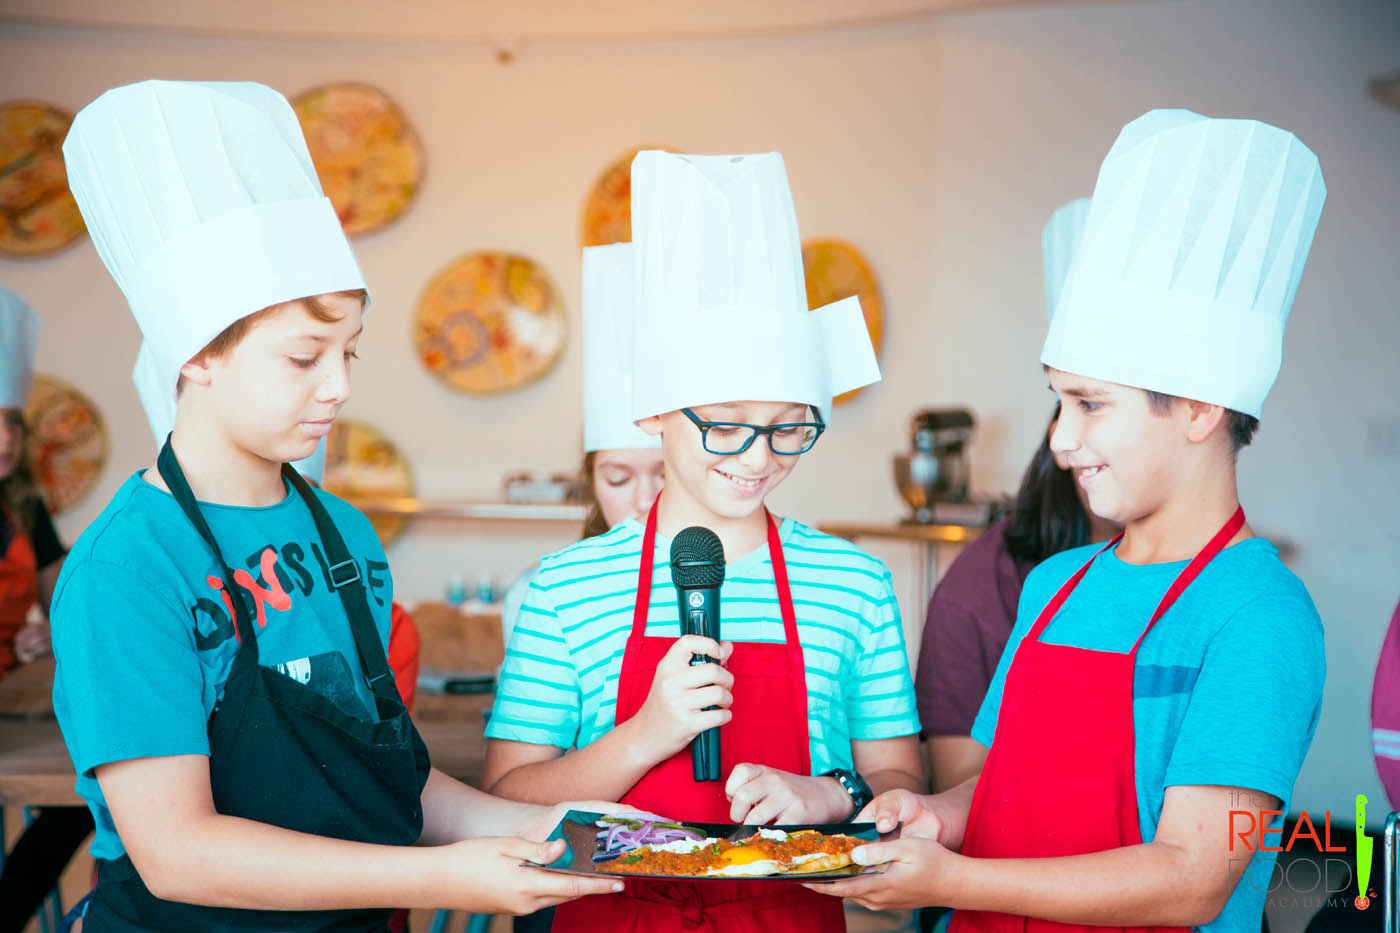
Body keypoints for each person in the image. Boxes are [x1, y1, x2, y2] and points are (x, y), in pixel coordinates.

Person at [50, 79, 619, 930]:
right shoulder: (126, 566)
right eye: (305, 355)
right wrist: (446, 880)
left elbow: (379, 777)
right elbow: (178, 852)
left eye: (350, 350)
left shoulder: (343, 533)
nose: (341, 387)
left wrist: (561, 829)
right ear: (197, 353)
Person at [810, 109, 1328, 933]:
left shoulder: (1258, 615)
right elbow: (1003, 786)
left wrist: (957, 879)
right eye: (1059, 399)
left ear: (1198, 406)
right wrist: (932, 817)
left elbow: (1192, 877)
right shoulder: (1057, 584)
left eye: (1090, 403)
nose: (1061, 438)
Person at [483, 150, 924, 932]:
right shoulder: (566, 587)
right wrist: (646, 734)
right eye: (724, 424)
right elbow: (505, 798)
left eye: (790, 427)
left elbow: (899, 774)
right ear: (652, 412)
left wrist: (832, 792)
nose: (758, 457)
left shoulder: (854, 583)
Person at [917, 199, 1119, 793]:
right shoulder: (982, 591)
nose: (1067, 440)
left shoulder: (1238, 599)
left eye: (1098, 405)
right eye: (1070, 405)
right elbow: (959, 786)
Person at [498, 243, 664, 658]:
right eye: (619, 478)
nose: (645, 499)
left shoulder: (744, 586)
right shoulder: (542, 595)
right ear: (590, 482)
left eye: (666, 474)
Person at [0, 286, 97, 933]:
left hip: (13, 702)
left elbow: (69, 598)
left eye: (11, 419)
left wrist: (49, 632)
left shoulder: (23, 505)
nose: (4, 436)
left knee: (88, 786)